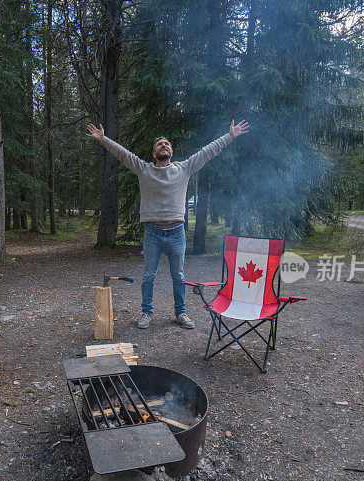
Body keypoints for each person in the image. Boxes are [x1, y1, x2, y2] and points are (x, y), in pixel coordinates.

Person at [87, 119, 249, 329]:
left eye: (166, 144)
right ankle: (146, 313)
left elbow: (208, 152)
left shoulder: (184, 169)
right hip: (152, 233)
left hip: (176, 233)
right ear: (154, 154)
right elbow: (123, 154)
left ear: (171, 152)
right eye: (159, 144)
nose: (163, 145)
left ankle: (180, 313)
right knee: (148, 276)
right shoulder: (144, 169)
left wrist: (230, 136)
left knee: (179, 275)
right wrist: (103, 139)